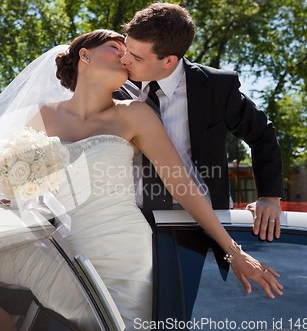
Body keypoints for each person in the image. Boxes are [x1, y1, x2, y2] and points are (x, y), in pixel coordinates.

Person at [0, 30, 283, 331]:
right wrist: (11, 198)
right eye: (118, 47)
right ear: (85, 55)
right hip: (61, 250)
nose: (126, 56)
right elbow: (13, 183)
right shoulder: (43, 116)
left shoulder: (134, 114)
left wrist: (234, 251)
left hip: (124, 255)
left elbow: (185, 187)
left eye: (131, 52)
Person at [115, 3, 284, 242]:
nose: (124, 59)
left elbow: (262, 133)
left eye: (136, 57)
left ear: (169, 61)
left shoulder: (217, 88)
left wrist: (269, 197)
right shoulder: (112, 86)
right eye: (126, 48)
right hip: (129, 223)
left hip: (203, 227)